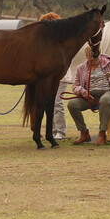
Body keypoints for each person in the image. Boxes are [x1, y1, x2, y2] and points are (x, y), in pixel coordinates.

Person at [68, 46, 110, 146]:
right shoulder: (81, 68)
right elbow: (75, 86)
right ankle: (83, 132)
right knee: (72, 104)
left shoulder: (109, 64)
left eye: (96, 58)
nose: (94, 60)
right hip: (89, 96)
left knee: (105, 100)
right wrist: (82, 91)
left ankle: (102, 133)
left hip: (106, 92)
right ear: (86, 56)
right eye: (91, 58)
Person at [39, 12, 71, 140]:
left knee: (57, 103)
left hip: (60, 77)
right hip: (47, 77)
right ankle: (51, 130)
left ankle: (60, 131)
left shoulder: (62, 41)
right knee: (47, 103)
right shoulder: (44, 41)